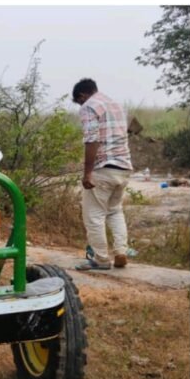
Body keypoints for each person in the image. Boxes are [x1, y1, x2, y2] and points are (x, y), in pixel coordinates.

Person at [72, 78, 133, 271]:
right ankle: (120, 251)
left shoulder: (89, 106)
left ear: (82, 96)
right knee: (115, 211)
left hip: (104, 167)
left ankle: (101, 259)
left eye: (79, 102)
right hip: (123, 167)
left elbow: (92, 139)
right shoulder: (116, 104)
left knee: (94, 215)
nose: (80, 106)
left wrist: (87, 172)